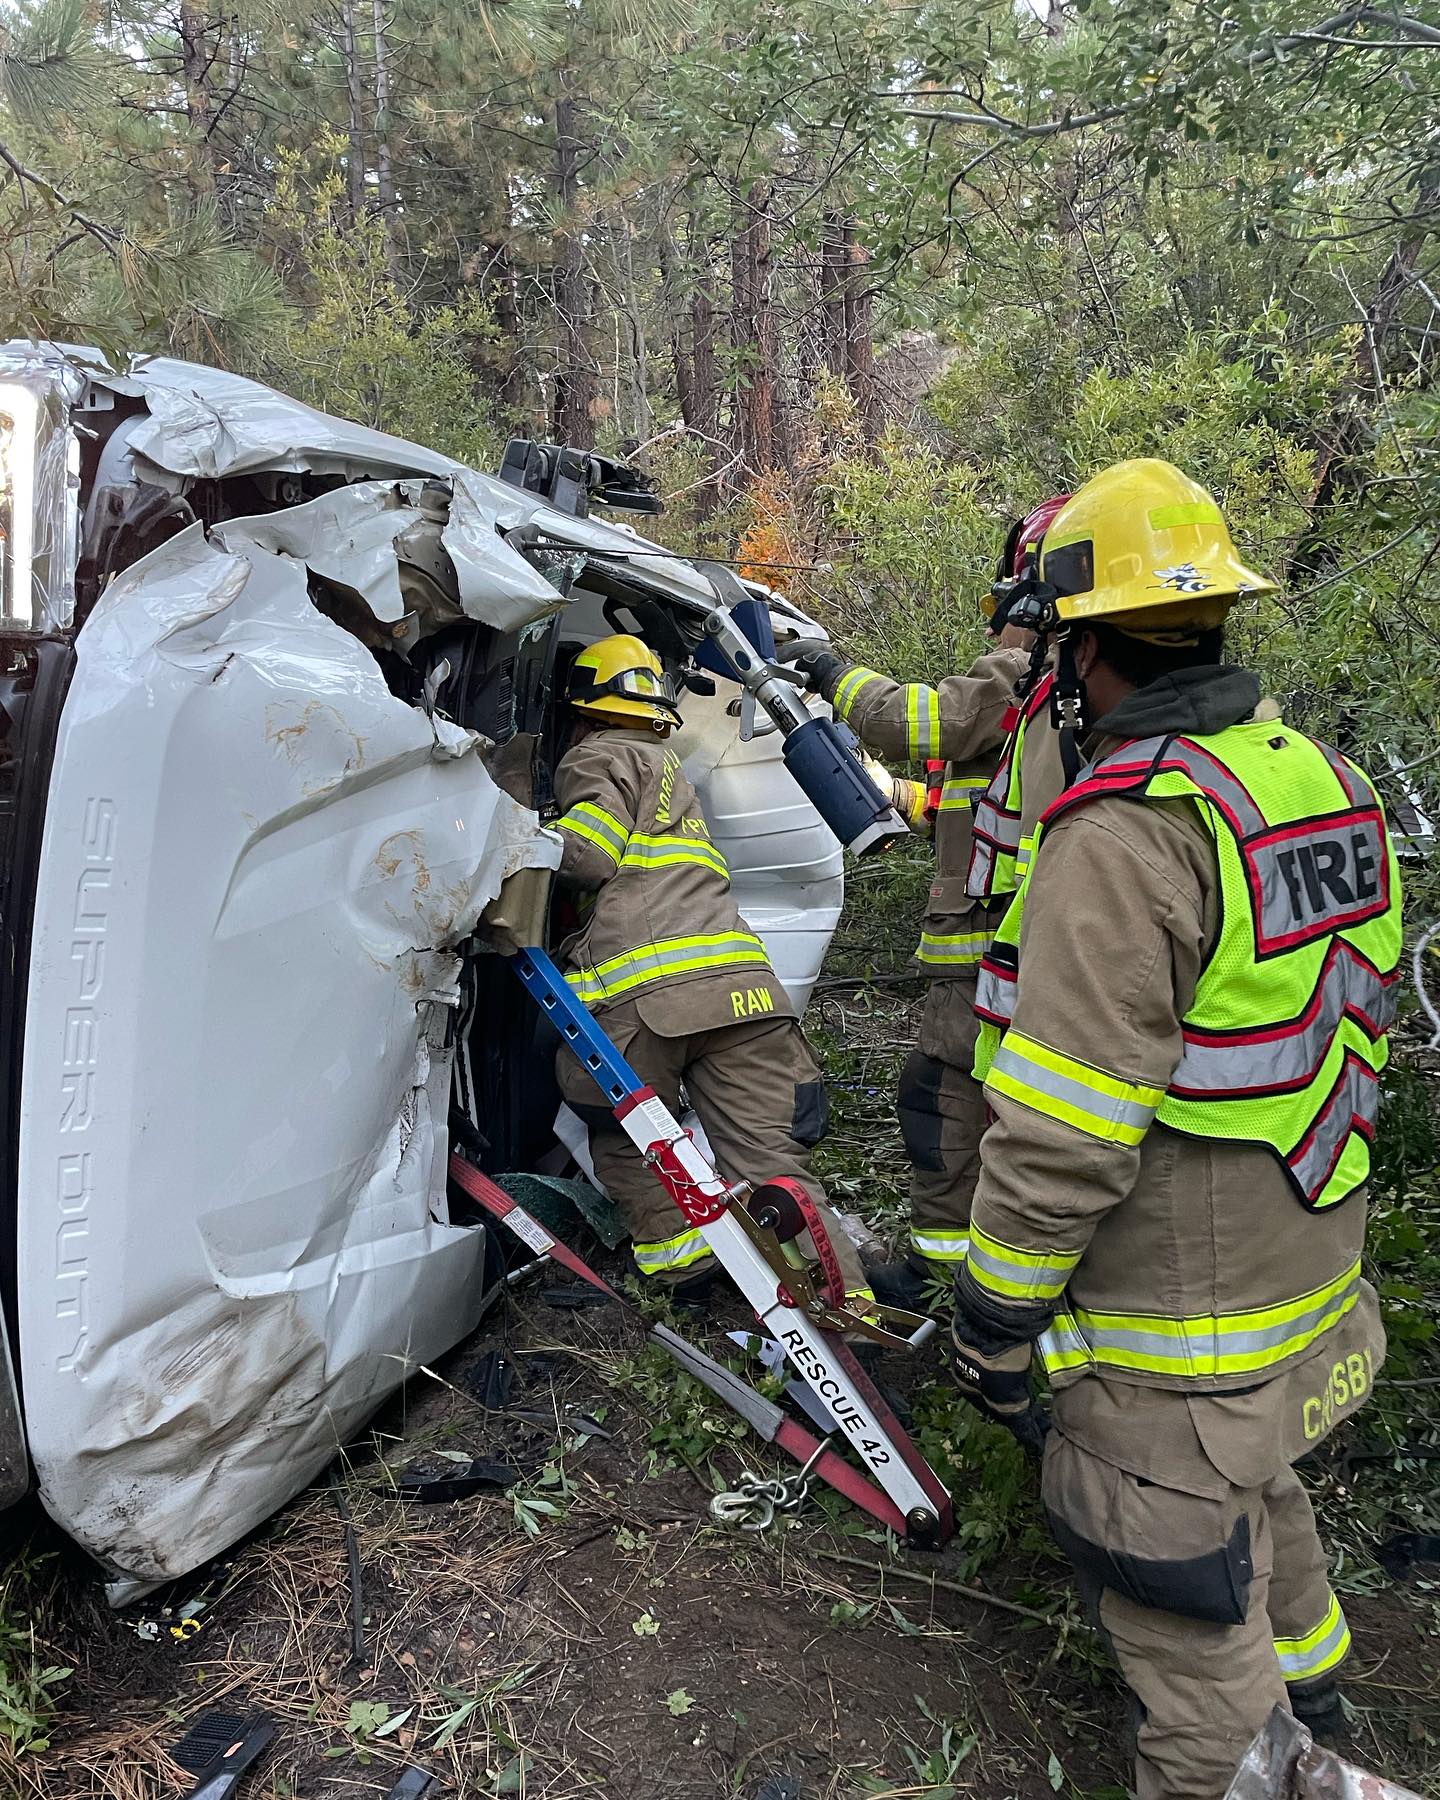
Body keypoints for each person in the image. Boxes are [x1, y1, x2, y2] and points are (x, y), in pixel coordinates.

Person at [947, 460, 1402, 1799]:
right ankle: (1317, 1702)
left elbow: (1069, 1131)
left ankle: (1254, 1763)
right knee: (1263, 1498)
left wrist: (993, 1318)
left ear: (1084, 651)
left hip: (1182, 1326)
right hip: (1310, 1277)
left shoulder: (1130, 830)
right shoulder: (1318, 776)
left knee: (1179, 1594)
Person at [779, 497, 1070, 1308]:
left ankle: (942, 1279)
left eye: (1012, 598)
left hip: (990, 956)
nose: (1001, 623)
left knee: (945, 1107)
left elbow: (920, 719)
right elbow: (967, 796)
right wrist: (879, 795)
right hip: (1017, 951)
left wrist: (831, 674)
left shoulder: (1034, 676)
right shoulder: (1076, 701)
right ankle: (974, 1273)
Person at [549, 632, 871, 1307]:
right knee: (773, 1166)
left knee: (627, 1137)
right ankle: (848, 1307)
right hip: (748, 995)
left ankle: (694, 1276)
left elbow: (591, 857)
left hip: (651, 1002)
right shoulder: (672, 774)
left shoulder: (594, 754)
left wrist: (517, 839)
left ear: (581, 709)